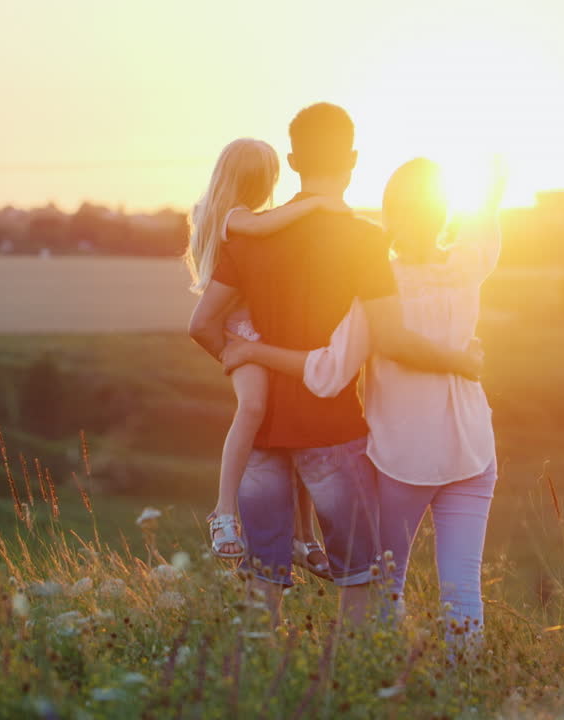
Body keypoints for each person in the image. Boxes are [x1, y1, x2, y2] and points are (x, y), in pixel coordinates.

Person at [187, 103, 482, 626]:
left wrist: (243, 363)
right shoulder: (367, 241)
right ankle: (351, 691)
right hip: (332, 429)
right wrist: (461, 358)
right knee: (358, 583)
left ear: (294, 159)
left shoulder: (251, 235)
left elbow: (205, 324)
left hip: (262, 432)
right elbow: (389, 337)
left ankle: (258, 690)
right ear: (353, 158)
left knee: (262, 586)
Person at [184, 137, 340, 575]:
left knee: (293, 421)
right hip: (242, 329)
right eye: (269, 177)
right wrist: (315, 204)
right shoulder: (234, 217)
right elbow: (263, 228)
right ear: (255, 179)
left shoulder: (220, 214)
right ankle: (224, 511)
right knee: (251, 408)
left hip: (259, 328)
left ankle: (302, 535)